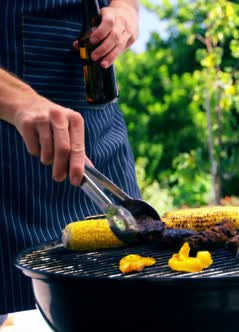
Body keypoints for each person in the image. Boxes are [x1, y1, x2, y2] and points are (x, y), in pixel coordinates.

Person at [0, 0, 140, 323]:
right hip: (7, 148)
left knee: (129, 306)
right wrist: (19, 102)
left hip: (98, 130)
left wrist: (125, 12)